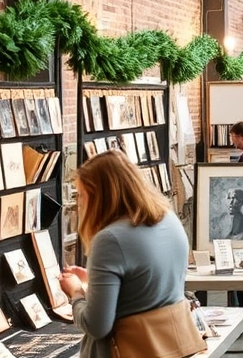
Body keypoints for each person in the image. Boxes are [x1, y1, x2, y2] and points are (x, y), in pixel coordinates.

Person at [58, 150, 190, 358]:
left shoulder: (109, 239)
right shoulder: (169, 219)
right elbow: (145, 288)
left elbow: (96, 325)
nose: (80, 203)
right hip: (169, 347)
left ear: (98, 195)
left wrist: (75, 292)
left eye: (81, 195)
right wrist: (94, 280)